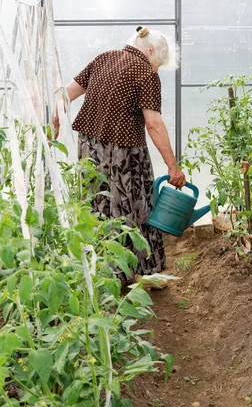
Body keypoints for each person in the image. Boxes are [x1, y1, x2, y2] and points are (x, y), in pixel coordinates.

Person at [53, 26, 186, 284]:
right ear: (149, 51)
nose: (156, 68)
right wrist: (173, 166)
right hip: (125, 153)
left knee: (97, 203)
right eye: (157, 62)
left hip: (89, 148)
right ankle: (140, 272)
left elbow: (66, 94)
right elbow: (154, 123)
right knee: (135, 206)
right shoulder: (145, 73)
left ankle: (102, 272)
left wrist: (54, 119)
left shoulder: (104, 57)